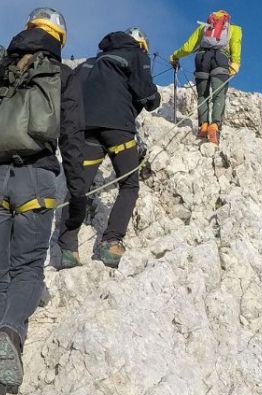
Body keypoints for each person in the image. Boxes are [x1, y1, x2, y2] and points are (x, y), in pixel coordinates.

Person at [0, 7, 82, 395]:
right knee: (26, 269)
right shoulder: (62, 76)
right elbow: (73, 138)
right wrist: (77, 191)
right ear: (59, 39)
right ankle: (11, 330)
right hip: (36, 181)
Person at [55, 27, 160, 269]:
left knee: (78, 187)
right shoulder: (136, 55)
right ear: (140, 44)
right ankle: (111, 242)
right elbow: (146, 95)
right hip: (117, 128)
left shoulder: (90, 63)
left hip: (85, 129)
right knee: (129, 183)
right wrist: (155, 99)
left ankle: (68, 246)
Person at [170, 10, 242, 144]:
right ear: (226, 19)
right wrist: (236, 62)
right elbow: (235, 45)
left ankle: (203, 125)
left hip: (201, 58)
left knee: (202, 95)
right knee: (218, 94)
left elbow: (188, 47)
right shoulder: (234, 29)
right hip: (220, 58)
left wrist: (175, 56)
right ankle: (215, 126)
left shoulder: (203, 27)